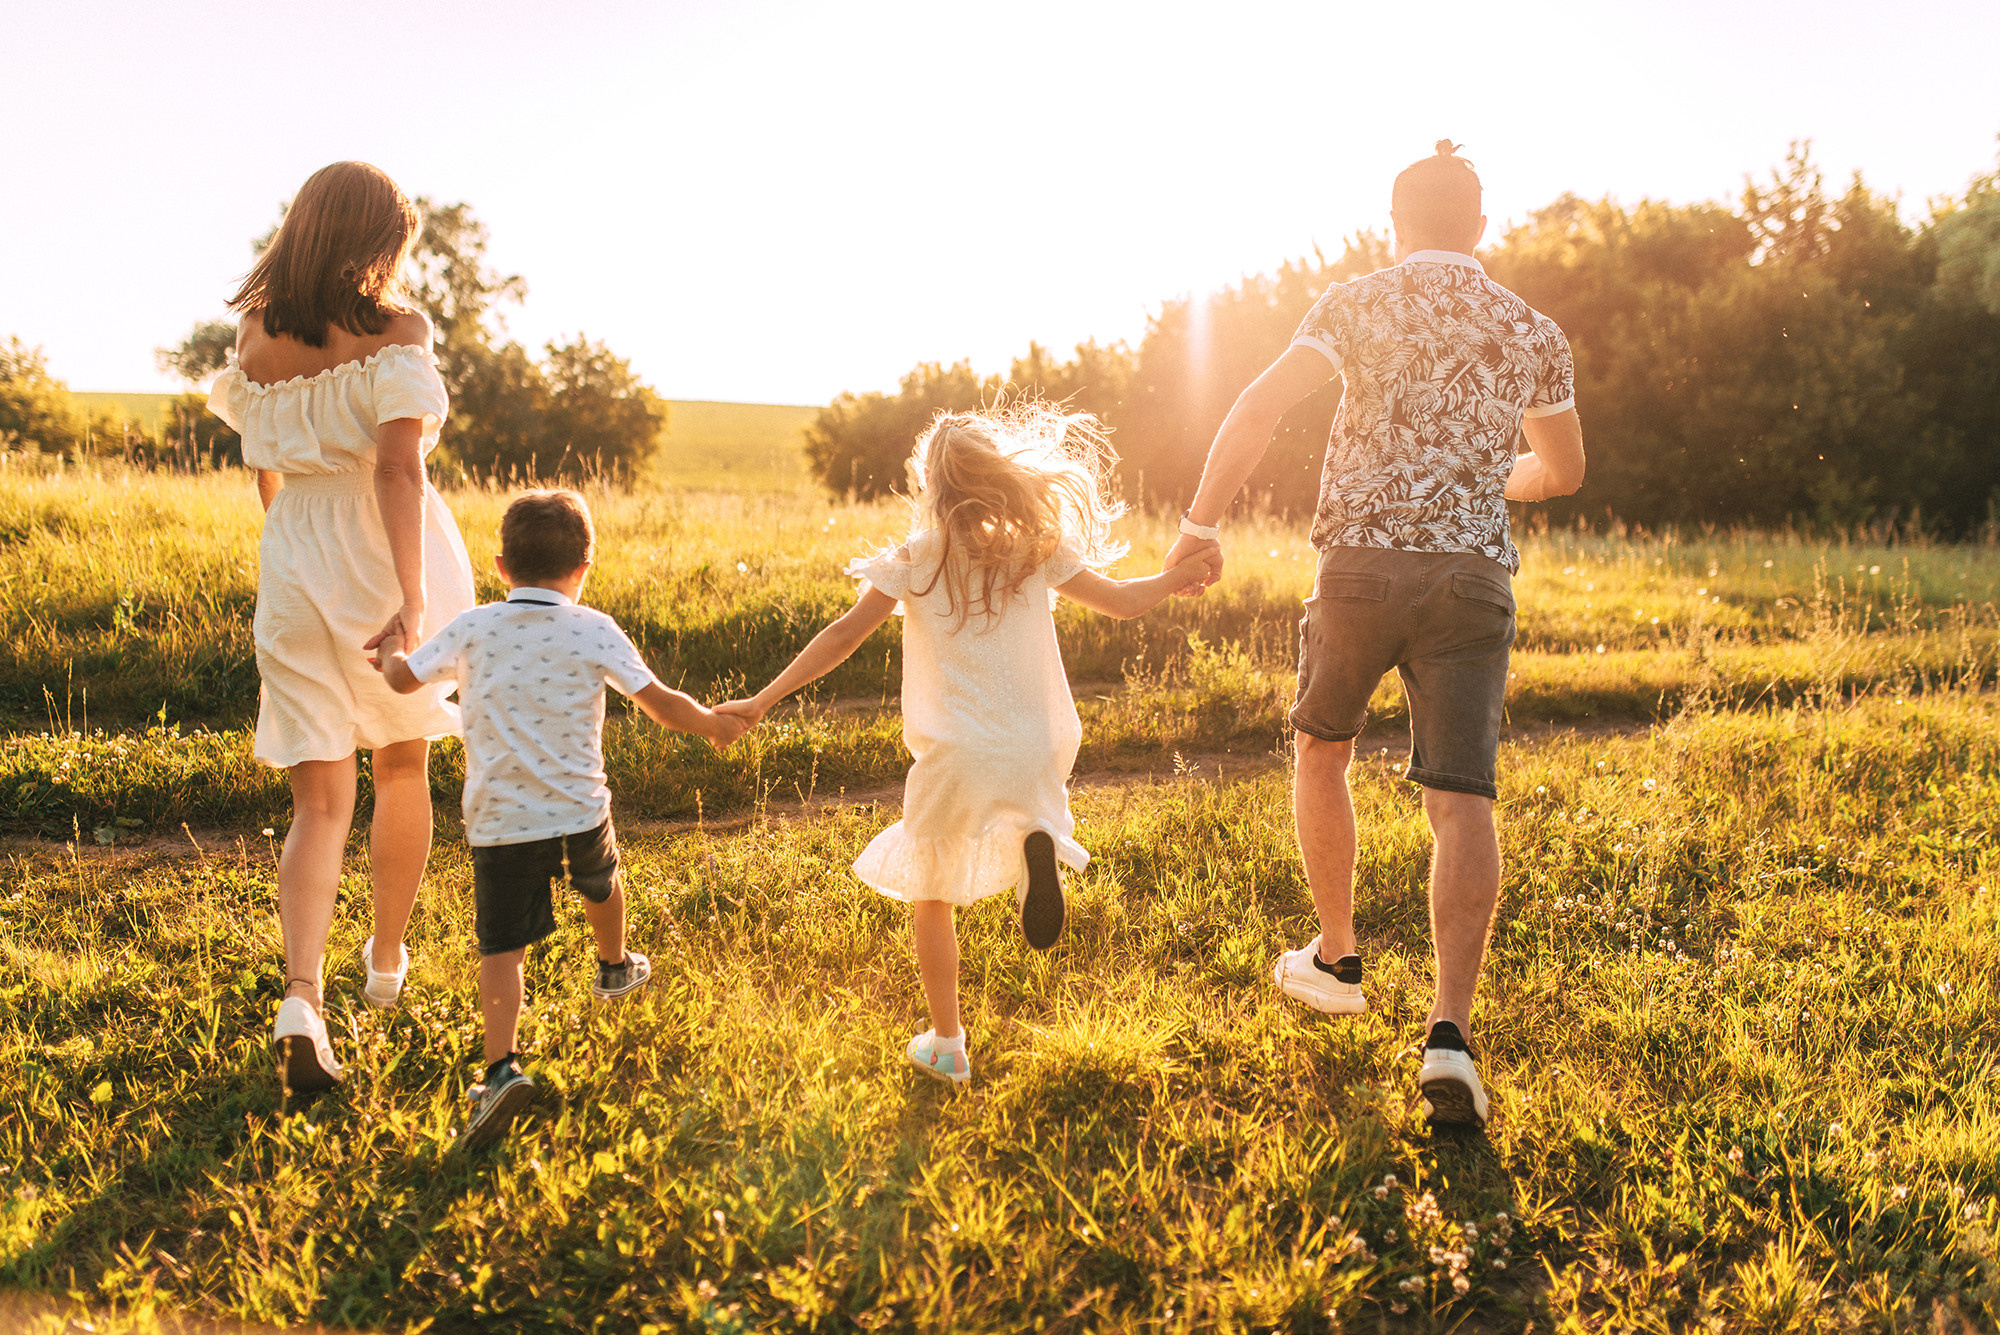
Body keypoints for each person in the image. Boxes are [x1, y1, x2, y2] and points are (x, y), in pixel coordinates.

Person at [1162, 142, 1586, 1129]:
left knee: (1321, 750)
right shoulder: (1530, 329)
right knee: (1459, 797)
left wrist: (1197, 524)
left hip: (1355, 566)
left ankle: (1338, 954)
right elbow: (1559, 470)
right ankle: (1448, 1035)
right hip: (1471, 581)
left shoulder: (1352, 303)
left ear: (1393, 224)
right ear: (1479, 228)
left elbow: (1259, 405)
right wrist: (1494, 481)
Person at [716, 407, 1217, 1084]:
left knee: (931, 890)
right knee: (1021, 813)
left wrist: (760, 699)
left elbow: (840, 634)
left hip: (959, 752)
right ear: (1002, 478)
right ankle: (1035, 840)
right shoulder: (1034, 550)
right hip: (1038, 744)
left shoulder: (914, 561)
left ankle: (947, 1042)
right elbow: (1125, 600)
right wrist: (1174, 581)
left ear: (932, 487)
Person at [207, 161, 479, 1093]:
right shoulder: (399, 331)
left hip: (293, 556)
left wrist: (295, 551)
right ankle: (387, 962)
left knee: (318, 799)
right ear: (378, 242)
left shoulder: (254, 340)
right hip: (381, 550)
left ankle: (301, 997)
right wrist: (411, 600)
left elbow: (268, 473)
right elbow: (400, 471)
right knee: (405, 760)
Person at [373, 489, 748, 1148]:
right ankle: (613, 962)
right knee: (602, 879)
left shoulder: (473, 625)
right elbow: (660, 701)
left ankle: (500, 1067)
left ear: (500, 566)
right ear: (583, 568)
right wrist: (713, 724)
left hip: (499, 817)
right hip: (579, 808)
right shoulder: (595, 627)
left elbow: (407, 683)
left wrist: (390, 657)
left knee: (502, 947)